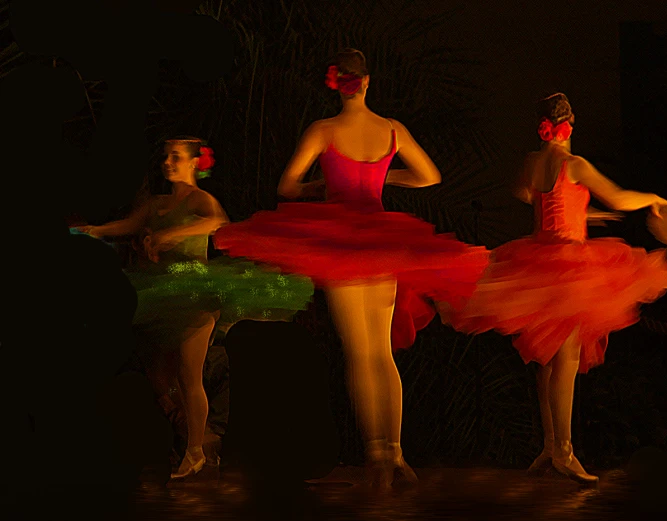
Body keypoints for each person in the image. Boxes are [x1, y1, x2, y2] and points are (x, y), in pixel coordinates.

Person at [213, 49, 490, 488]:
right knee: (382, 353)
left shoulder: (323, 131)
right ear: (367, 82)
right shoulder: (391, 129)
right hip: (382, 242)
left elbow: (287, 186)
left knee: (359, 353)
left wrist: (321, 185)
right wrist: (384, 178)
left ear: (336, 83)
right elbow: (429, 176)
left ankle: (376, 455)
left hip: (340, 244)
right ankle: (396, 453)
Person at [439, 93, 667, 485]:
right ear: (571, 125)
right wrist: (656, 198)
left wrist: (582, 212)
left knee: (548, 357)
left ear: (543, 126)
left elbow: (531, 197)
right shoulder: (574, 163)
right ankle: (564, 451)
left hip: (538, 257)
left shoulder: (534, 163)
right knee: (564, 357)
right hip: (568, 265)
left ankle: (551, 445)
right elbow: (618, 196)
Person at [78, 137, 314, 479]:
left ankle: (194, 452)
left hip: (194, 294)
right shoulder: (155, 203)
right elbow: (128, 224)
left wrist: (174, 235)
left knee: (190, 377)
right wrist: (97, 230)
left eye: (176, 157)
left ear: (193, 163)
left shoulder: (202, 200)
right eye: (165, 157)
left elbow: (216, 222)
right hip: (161, 293)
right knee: (161, 379)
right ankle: (198, 441)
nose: (168, 163)